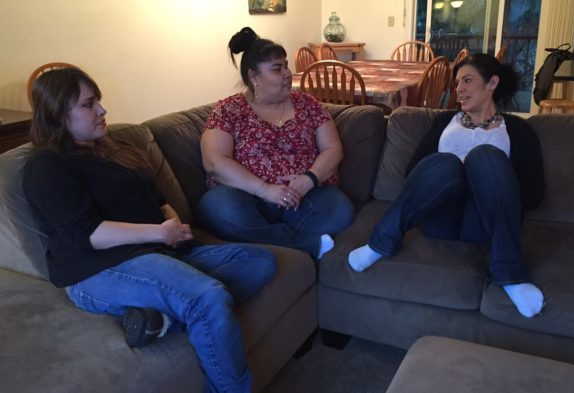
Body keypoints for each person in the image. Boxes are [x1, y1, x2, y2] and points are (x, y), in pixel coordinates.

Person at [23, 67, 277, 393]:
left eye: (98, 100)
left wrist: (175, 226)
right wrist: (159, 233)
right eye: (88, 104)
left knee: (259, 261)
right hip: (98, 269)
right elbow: (87, 234)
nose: (102, 110)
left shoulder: (112, 147)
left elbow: (157, 199)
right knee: (208, 297)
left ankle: (162, 319)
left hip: (157, 252)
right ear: (57, 114)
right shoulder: (47, 165)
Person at [348, 53, 546, 318]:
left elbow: (534, 194)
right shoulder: (443, 122)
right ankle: (380, 243)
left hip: (485, 222)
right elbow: (413, 176)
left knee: (485, 157)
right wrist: (457, 173)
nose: (459, 90)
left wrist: (490, 178)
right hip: (439, 218)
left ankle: (510, 275)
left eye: (467, 80)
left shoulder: (518, 130)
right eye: (456, 84)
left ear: (492, 83)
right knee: (444, 163)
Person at [197, 27, 354, 260]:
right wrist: (265, 190)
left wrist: (309, 180)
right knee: (215, 207)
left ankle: (267, 240)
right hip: (247, 198)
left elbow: (332, 149)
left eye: (286, 65)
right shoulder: (228, 110)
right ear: (254, 77)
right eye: (277, 69)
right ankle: (305, 244)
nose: (288, 74)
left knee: (340, 209)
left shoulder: (308, 104)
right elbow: (214, 162)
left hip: (304, 198)